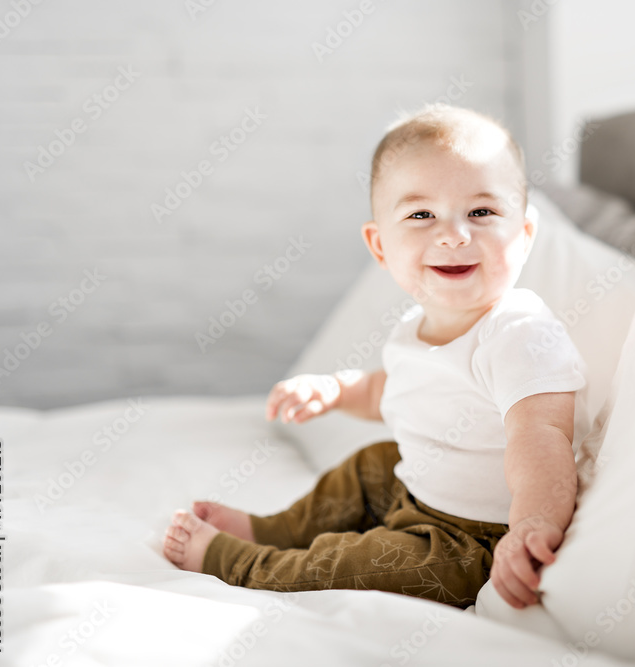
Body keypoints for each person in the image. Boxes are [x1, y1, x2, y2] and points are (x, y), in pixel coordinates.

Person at [163, 104, 587, 609]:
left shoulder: (519, 332)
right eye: (421, 215)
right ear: (380, 245)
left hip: (473, 540)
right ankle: (272, 528)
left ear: (525, 234)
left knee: (359, 562)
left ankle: (241, 563)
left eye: (481, 212)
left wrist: (533, 523)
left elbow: (541, 438)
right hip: (415, 494)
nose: (454, 234)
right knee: (368, 467)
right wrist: (336, 390)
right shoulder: (416, 327)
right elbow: (391, 389)